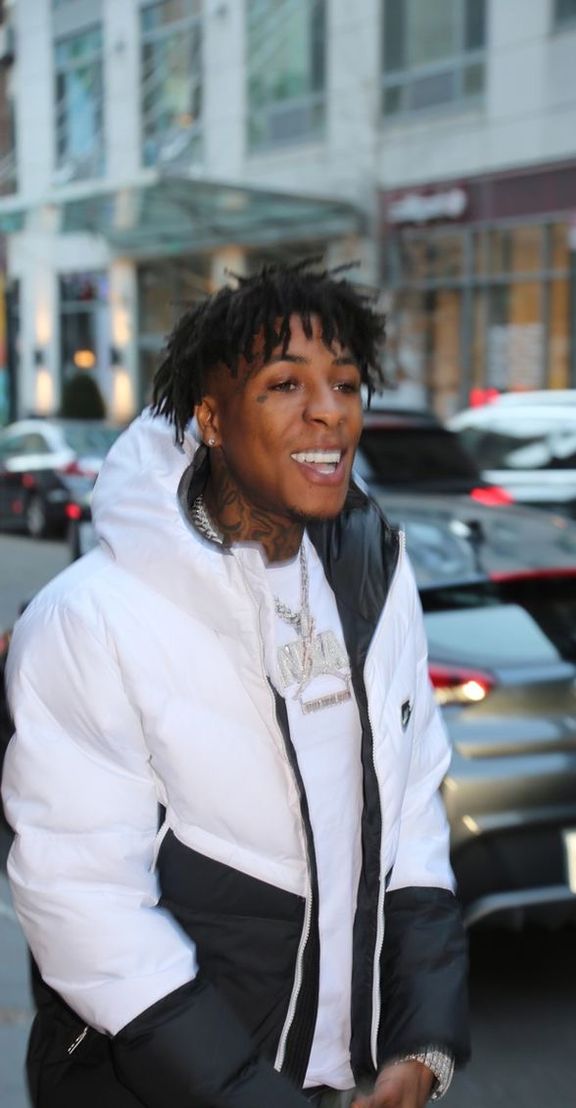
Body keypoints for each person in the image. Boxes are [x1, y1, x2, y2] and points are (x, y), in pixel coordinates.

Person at [2, 263, 470, 1108]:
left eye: (346, 383)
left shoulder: (377, 578)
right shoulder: (92, 618)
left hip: (329, 1081)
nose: (328, 409)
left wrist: (421, 1041)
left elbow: (411, 812)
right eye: (285, 383)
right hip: (143, 1085)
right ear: (211, 417)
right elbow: (80, 895)